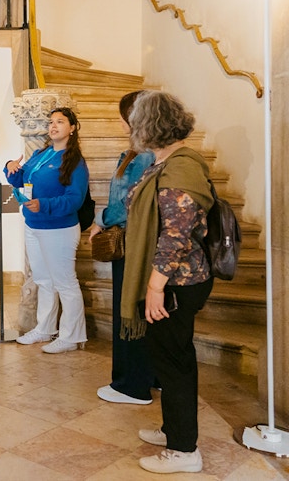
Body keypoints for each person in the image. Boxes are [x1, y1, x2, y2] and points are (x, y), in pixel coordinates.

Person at [121, 90, 214, 475]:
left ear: (148, 125)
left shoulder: (180, 167)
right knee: (168, 358)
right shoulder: (166, 161)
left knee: (173, 363)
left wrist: (155, 286)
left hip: (175, 282)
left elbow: (176, 234)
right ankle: (173, 428)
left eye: (135, 121)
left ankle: (183, 451)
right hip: (170, 279)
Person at [88, 92, 155, 404]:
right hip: (138, 240)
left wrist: (102, 219)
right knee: (141, 310)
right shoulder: (138, 153)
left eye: (120, 114)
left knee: (128, 311)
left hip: (132, 243)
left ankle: (131, 385)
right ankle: (151, 376)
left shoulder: (142, 156)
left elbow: (127, 204)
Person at [5, 107, 89, 354]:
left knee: (65, 283)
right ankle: (45, 329)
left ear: (72, 128)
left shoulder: (74, 162)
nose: (53, 126)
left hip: (59, 228)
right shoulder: (42, 154)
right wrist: (11, 168)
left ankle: (72, 336)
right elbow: (22, 181)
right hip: (34, 224)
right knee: (43, 280)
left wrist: (45, 204)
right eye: (51, 122)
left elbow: (75, 199)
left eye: (60, 122)